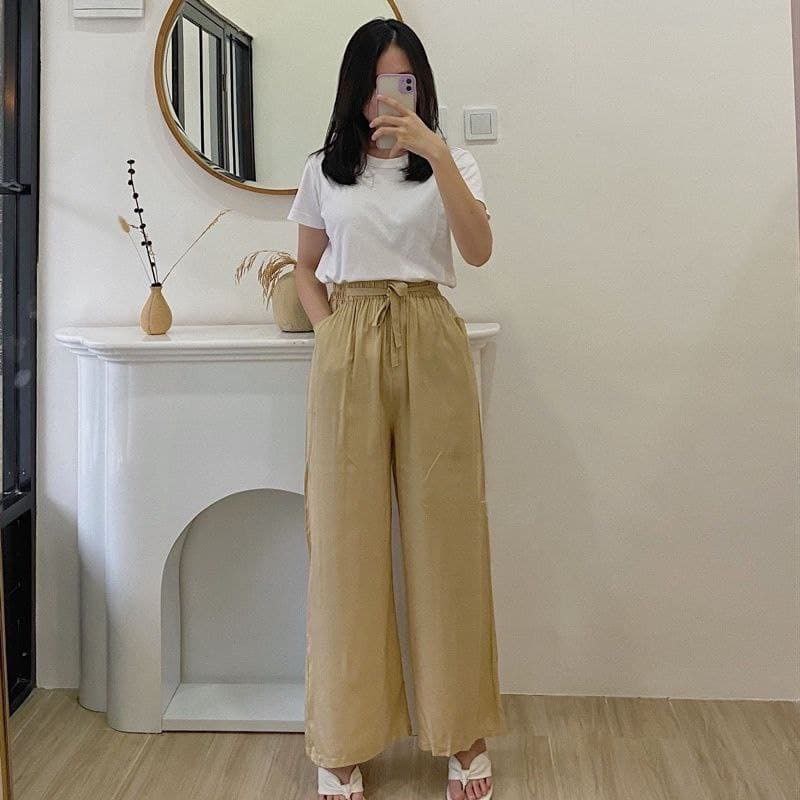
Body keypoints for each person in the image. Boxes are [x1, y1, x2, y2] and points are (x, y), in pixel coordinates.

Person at [287, 17, 507, 800]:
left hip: (429, 329)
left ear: (420, 87)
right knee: (344, 542)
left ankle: (463, 731)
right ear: (355, 88)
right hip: (349, 334)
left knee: (448, 537)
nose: (389, 97)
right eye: (377, 82)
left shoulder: (451, 161)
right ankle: (343, 740)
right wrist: (330, 332)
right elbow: (304, 266)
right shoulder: (324, 169)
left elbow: (477, 250)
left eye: (403, 82)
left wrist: (436, 151)